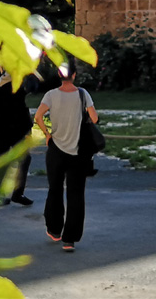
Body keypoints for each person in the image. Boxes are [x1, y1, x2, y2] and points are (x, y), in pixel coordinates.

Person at [33, 65, 98, 252]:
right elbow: (94, 118)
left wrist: (47, 133)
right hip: (77, 151)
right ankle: (70, 239)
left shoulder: (51, 95)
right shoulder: (83, 94)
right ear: (75, 75)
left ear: (59, 76)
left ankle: (54, 229)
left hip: (56, 149)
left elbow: (38, 116)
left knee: (54, 189)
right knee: (76, 194)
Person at [0, 70, 34, 207]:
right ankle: (17, 193)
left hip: (1, 131)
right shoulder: (15, 89)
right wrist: (28, 129)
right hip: (16, 130)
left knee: (2, 162)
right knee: (24, 159)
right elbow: (21, 111)